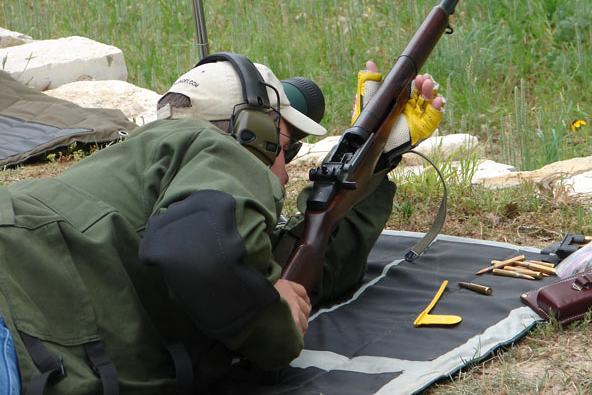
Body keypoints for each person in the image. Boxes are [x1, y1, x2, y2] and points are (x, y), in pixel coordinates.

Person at [0, 53, 443, 394]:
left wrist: (373, 157)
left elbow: (291, 271)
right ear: (252, 135)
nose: (286, 172)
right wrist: (274, 324)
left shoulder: (141, 174)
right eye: (285, 147)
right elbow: (196, 252)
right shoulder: (215, 149)